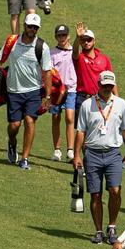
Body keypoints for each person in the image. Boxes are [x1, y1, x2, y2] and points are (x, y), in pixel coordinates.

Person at [0, 13, 52, 170]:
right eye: (30, 26)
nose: (32, 30)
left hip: (33, 91)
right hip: (14, 91)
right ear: (24, 25)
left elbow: (47, 72)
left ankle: (24, 158)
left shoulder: (42, 47)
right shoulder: (12, 41)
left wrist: (48, 95)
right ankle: (12, 143)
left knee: (30, 121)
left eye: (35, 28)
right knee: (14, 126)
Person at [72, 71, 125, 244]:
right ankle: (98, 230)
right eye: (104, 85)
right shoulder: (87, 105)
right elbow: (80, 131)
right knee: (95, 194)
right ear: (98, 85)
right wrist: (76, 155)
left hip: (113, 153)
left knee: (115, 191)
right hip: (92, 153)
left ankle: (112, 226)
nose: (107, 88)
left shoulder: (121, 104)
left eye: (110, 86)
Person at [49, 24, 79, 161]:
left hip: (71, 89)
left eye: (64, 35)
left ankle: (70, 150)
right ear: (56, 37)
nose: (62, 38)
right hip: (56, 90)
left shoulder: (75, 51)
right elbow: (50, 72)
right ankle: (57, 150)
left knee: (69, 118)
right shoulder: (52, 53)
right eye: (59, 35)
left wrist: (79, 38)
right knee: (56, 118)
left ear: (68, 36)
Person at [72, 23, 115, 106]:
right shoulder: (79, 57)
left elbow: (111, 79)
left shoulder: (104, 58)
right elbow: (75, 51)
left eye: (89, 40)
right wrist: (77, 38)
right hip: (82, 98)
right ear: (80, 42)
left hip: (100, 98)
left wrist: (116, 98)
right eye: (83, 40)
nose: (86, 42)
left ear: (94, 41)